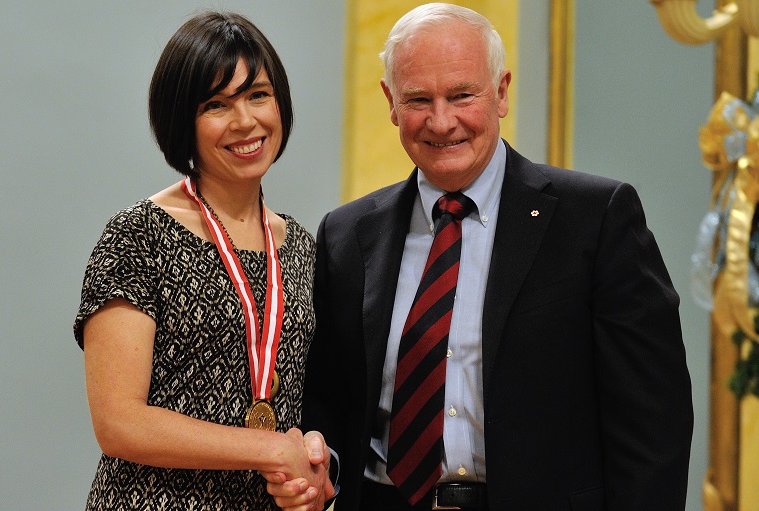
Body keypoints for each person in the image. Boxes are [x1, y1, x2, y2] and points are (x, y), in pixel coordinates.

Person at [282, 3, 694, 510]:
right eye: (418, 99)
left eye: (461, 95)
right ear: (390, 102)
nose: (441, 120)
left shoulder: (596, 219)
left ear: (501, 91)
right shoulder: (346, 235)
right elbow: (330, 402)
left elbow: (653, 421)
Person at [73, 12, 333, 511]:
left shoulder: (299, 246)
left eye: (258, 95)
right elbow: (119, 423)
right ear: (181, 122)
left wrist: (314, 464)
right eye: (216, 104)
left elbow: (305, 398)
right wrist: (269, 447)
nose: (245, 121)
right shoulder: (138, 236)